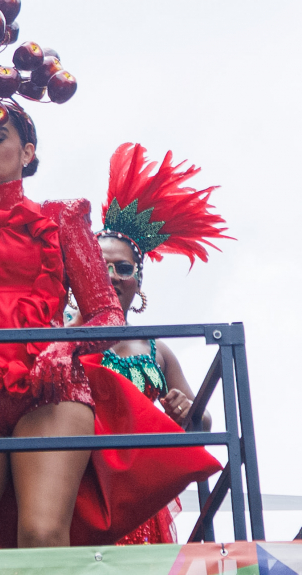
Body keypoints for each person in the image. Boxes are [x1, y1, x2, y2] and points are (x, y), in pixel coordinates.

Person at [0, 100, 222, 550]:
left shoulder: (60, 218)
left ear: (27, 153)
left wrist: (65, 346)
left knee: (42, 534)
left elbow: (106, 313)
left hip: (50, 389)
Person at [75, 142, 229, 544]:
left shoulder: (158, 350)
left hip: (139, 500)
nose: (111, 277)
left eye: (123, 268)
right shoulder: (62, 333)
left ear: (138, 282)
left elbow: (203, 422)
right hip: (78, 489)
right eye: (100, 266)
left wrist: (186, 409)